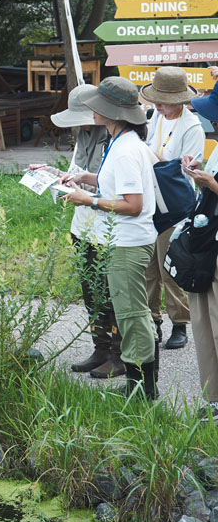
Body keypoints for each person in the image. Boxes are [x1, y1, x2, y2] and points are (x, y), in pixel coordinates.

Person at [62, 77, 159, 399]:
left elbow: (133, 205)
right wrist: (86, 178)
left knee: (132, 315)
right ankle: (137, 382)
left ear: (112, 113)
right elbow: (117, 187)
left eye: (98, 106)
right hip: (121, 240)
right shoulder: (121, 142)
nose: (92, 110)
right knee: (132, 313)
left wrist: (87, 199)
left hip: (128, 243)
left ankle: (142, 388)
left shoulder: (125, 150)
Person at [46, 85, 121, 378]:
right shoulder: (83, 136)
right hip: (83, 225)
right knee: (91, 291)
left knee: (111, 291)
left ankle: (119, 353)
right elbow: (75, 171)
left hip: (108, 225)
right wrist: (55, 177)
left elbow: (117, 186)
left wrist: (86, 189)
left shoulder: (117, 138)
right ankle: (100, 347)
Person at [141, 66, 205, 350]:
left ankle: (179, 324)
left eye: (163, 100)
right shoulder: (155, 116)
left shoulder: (191, 126)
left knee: (170, 266)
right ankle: (152, 321)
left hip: (175, 203)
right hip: (148, 199)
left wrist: (148, 155)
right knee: (148, 268)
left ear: (178, 99)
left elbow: (184, 168)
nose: (157, 105)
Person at [185, 75, 218, 418]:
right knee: (203, 322)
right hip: (206, 241)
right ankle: (212, 399)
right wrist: (200, 170)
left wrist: (211, 183)